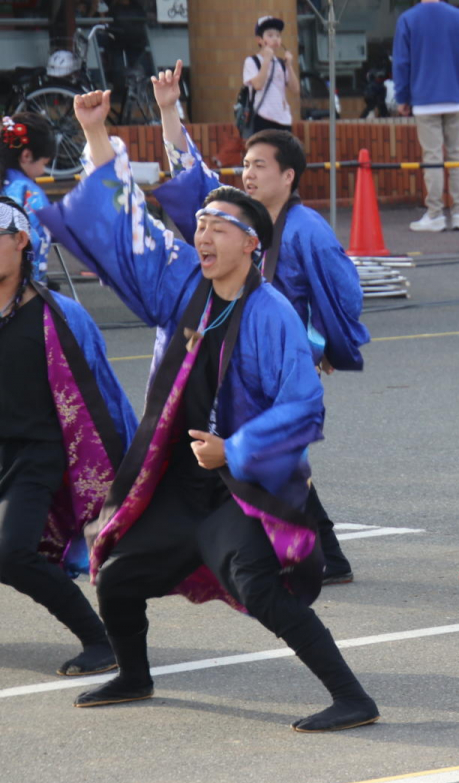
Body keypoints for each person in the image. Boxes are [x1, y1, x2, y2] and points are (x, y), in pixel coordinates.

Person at [39, 90, 379, 733]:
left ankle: (353, 696)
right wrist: (96, 136)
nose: (201, 236)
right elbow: (125, 231)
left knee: (261, 590)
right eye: (198, 227)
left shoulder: (271, 313)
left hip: (236, 490)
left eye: (217, 228)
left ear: (250, 245)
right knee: (115, 568)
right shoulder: (182, 288)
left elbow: (306, 408)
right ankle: (135, 675)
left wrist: (235, 450)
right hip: (175, 484)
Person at [150, 61, 369, 586]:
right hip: (232, 353)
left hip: (277, 355)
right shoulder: (237, 217)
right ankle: (306, 549)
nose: (247, 174)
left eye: (259, 166)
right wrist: (167, 111)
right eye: (244, 165)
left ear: (288, 176)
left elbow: (344, 295)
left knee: (265, 447)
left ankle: (308, 551)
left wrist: (317, 345)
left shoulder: (308, 231)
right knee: (252, 446)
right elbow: (192, 178)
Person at [0, 196, 137, 678]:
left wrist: (135, 467)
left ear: (21, 241)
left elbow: (104, 398)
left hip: (37, 455)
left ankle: (102, 640)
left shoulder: (59, 316)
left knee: (12, 553)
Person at [392, 0, 459, 233]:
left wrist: (402, 98)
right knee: (457, 155)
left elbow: (402, 63)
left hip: (424, 99)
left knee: (432, 157)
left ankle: (435, 214)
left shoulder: (408, 19)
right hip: (456, 97)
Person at [2, 114, 54, 283]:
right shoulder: (28, 193)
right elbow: (36, 246)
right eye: (44, 164)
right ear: (26, 155)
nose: (43, 171)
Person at [243, 16, 298, 134]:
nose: (275, 39)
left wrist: (289, 65)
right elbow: (258, 85)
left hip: (284, 119)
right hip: (263, 118)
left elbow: (296, 89)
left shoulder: (281, 63)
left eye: (278, 35)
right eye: (270, 35)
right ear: (259, 40)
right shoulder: (252, 61)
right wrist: (266, 60)